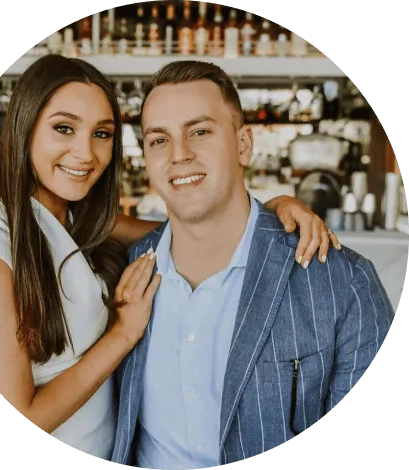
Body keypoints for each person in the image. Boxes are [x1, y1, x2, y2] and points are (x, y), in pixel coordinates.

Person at [0, 55, 336, 459]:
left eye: (101, 134)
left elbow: (197, 230)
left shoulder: (78, 220)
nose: (85, 153)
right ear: (24, 129)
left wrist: (273, 210)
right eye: (64, 128)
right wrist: (122, 334)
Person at [110, 61, 395, 469]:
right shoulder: (125, 272)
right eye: (159, 139)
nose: (179, 154)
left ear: (244, 145)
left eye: (200, 132)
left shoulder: (344, 282)